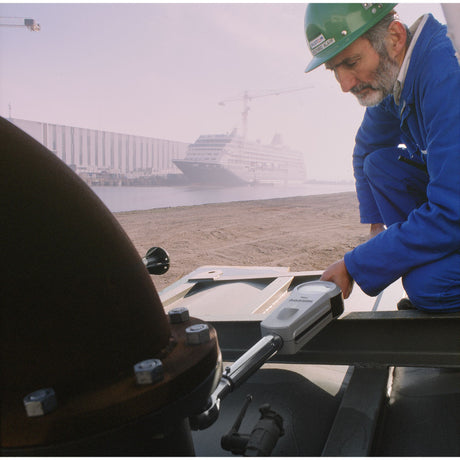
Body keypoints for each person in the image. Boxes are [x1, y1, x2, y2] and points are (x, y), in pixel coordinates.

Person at [304, 3, 460, 312]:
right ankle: (425, 253)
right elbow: (365, 150)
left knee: (427, 286)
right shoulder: (396, 78)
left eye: (351, 62)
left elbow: (451, 212)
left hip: (454, 212)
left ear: (395, 37)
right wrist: (376, 231)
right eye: (335, 69)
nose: (345, 84)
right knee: (379, 164)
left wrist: (355, 264)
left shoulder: (447, 76)